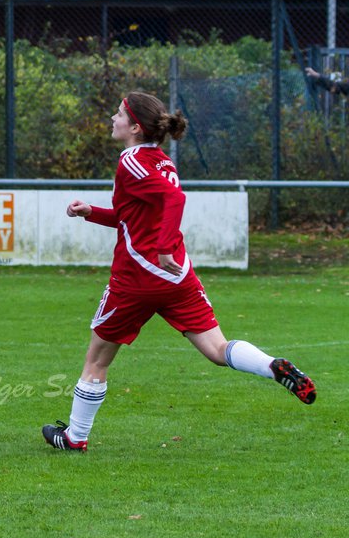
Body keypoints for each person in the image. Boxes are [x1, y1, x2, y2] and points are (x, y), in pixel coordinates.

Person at [42, 91, 316, 452]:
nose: (112, 118)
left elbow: (175, 200)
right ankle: (272, 366)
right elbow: (134, 218)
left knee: (96, 360)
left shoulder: (131, 161)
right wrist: (91, 211)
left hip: (137, 279)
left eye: (119, 113)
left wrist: (162, 245)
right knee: (218, 349)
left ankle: (75, 437)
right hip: (177, 277)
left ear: (135, 127)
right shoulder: (161, 162)